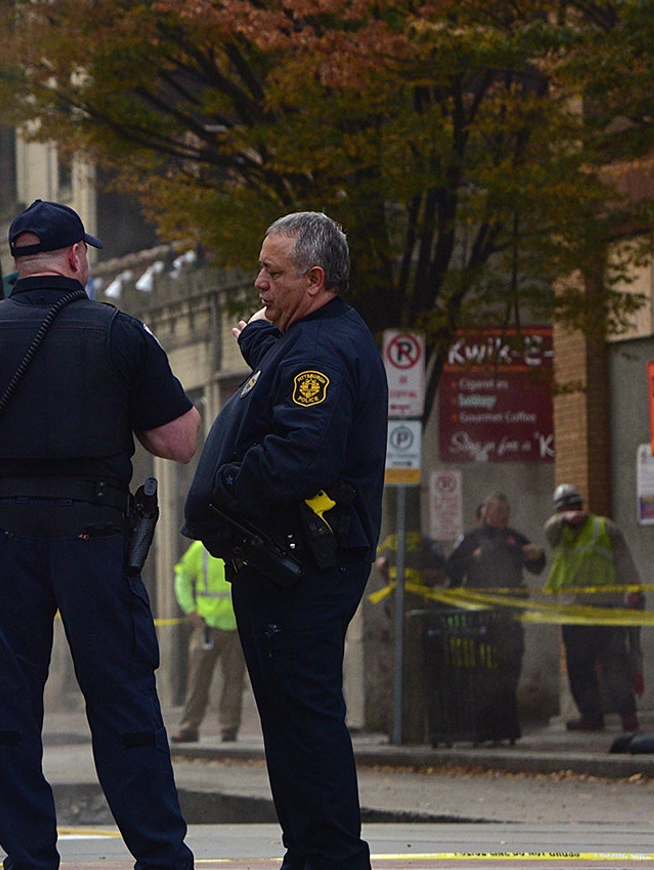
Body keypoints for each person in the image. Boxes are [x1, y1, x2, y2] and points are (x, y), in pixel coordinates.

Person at [0, 199, 204, 870]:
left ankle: (30, 858)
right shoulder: (123, 334)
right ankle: (159, 857)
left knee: (7, 705)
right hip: (95, 540)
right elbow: (179, 441)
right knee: (123, 700)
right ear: (76, 258)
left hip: (4, 543)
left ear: (19, 261)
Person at [181, 210, 386, 870]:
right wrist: (267, 351)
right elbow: (298, 393)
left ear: (315, 280)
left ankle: (326, 857)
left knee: (302, 721)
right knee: (292, 719)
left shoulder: (322, 348)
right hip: (294, 562)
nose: (260, 284)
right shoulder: (309, 342)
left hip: (303, 564)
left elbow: (304, 450)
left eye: (274, 272)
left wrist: (228, 486)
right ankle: (314, 852)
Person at [443, 492, 546, 743]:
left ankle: (507, 729)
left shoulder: (515, 539)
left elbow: (536, 566)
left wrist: (538, 555)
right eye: (499, 510)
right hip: (479, 621)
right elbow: (452, 570)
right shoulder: (471, 539)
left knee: (509, 671)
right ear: (486, 512)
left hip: (509, 619)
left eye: (506, 510)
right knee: (482, 676)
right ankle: (483, 729)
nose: (503, 515)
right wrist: (472, 559)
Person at [543, 483, 642, 733]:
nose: (571, 512)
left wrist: (635, 589)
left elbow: (625, 561)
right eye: (564, 509)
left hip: (605, 609)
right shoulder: (557, 532)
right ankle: (591, 717)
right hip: (573, 612)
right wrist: (564, 518)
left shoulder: (604, 528)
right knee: (579, 668)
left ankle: (628, 715)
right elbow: (550, 528)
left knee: (615, 664)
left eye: (573, 506)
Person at [172, 539, 245, 744]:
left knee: (234, 681)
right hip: (207, 626)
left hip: (235, 625)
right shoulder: (201, 548)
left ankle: (229, 727)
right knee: (199, 680)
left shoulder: (238, 544)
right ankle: (190, 727)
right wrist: (190, 610)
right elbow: (183, 577)